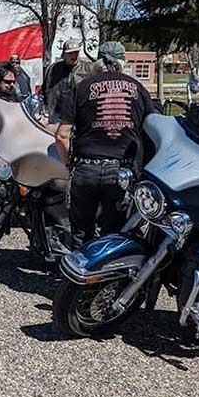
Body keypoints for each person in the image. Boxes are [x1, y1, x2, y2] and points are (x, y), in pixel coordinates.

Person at [55, 41, 155, 247]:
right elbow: (153, 128)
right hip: (121, 172)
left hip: (85, 168)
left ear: (98, 62)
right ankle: (108, 276)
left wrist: (68, 164)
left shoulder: (81, 88)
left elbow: (62, 135)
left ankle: (79, 275)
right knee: (114, 233)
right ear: (122, 61)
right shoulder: (138, 88)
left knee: (81, 234)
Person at [42, 39, 93, 123]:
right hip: (56, 115)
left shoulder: (88, 69)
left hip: (78, 116)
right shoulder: (53, 69)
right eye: (70, 53)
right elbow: (45, 89)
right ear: (64, 55)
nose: (74, 56)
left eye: (76, 52)